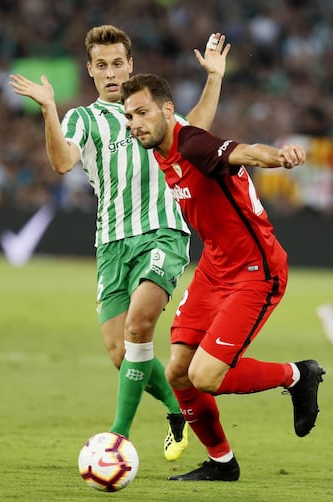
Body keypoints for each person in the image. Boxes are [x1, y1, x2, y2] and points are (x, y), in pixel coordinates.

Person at [9, 25, 231, 461]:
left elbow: (197, 128)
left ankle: (116, 438)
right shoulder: (82, 119)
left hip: (163, 233)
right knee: (120, 353)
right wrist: (49, 109)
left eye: (117, 63)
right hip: (111, 243)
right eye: (101, 65)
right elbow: (60, 162)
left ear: (130, 65)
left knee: (138, 328)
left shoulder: (149, 111)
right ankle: (176, 409)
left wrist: (215, 77)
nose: (111, 72)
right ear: (90, 71)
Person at [121, 73, 326, 481]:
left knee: (204, 376)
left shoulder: (194, 146)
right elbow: (197, 121)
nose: (134, 123)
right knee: (178, 371)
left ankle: (298, 374)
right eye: (129, 117)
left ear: (166, 111)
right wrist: (214, 76)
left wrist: (278, 158)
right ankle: (221, 463)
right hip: (214, 268)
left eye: (141, 113)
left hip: (256, 270)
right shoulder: (165, 143)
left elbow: (244, 151)